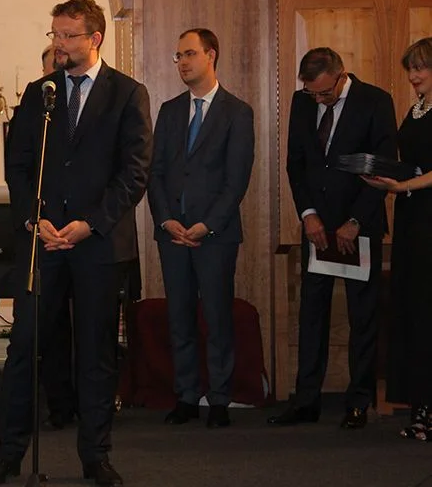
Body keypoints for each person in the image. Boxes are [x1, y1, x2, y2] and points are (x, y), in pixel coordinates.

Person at [0, 0, 152, 487]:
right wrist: (34, 220)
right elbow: (18, 166)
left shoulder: (127, 94)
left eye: (69, 36)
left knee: (95, 353)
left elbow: (135, 172)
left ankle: (96, 456)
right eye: (54, 35)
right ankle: (8, 454)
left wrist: (89, 223)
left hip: (98, 245)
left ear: (95, 39)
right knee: (23, 349)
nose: (59, 44)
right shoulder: (41, 94)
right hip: (44, 243)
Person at [269, 47, 397, 429]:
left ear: (341, 76)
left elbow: (385, 166)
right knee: (312, 314)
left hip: (359, 227)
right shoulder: (302, 102)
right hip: (317, 228)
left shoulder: (375, 101)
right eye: (312, 93)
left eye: (324, 93)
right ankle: (306, 401)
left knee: (362, 317)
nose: (319, 100)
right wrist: (308, 214)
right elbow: (296, 164)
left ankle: (358, 403)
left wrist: (356, 220)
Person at [148, 29, 254, 428]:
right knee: (180, 317)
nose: (183, 62)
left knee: (217, 316)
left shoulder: (236, 112)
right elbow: (155, 172)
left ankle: (220, 398)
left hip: (216, 235)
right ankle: (187, 396)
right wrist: (166, 219)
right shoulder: (169, 111)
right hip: (172, 233)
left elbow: (236, 179)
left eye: (190, 54)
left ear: (211, 55)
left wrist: (207, 224)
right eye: (178, 56)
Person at [361, 37, 432, 439]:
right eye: (411, 69)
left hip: (426, 213)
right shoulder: (417, 108)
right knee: (413, 310)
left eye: (421, 68)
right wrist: (386, 175)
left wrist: (402, 186)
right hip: (412, 216)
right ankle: (421, 408)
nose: (413, 76)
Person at [38, 41, 77, 431]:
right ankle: (59, 403)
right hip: (47, 234)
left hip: (87, 235)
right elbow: (22, 167)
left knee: (89, 329)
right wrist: (38, 221)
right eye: (52, 67)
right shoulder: (38, 108)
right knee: (49, 327)